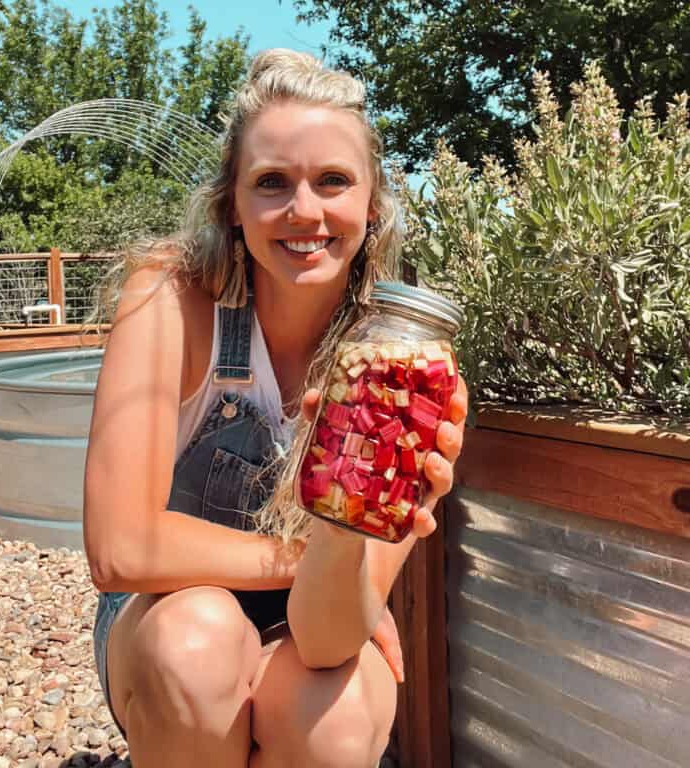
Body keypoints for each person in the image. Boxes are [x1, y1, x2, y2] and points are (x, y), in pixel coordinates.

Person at [83, 48, 467, 768]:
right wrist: (314, 559)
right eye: (271, 183)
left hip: (310, 625)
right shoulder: (169, 301)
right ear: (231, 203)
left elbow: (325, 640)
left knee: (337, 719)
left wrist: (349, 556)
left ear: (373, 203)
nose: (305, 211)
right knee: (196, 645)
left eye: (333, 181)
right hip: (161, 615)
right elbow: (120, 551)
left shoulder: (407, 377)